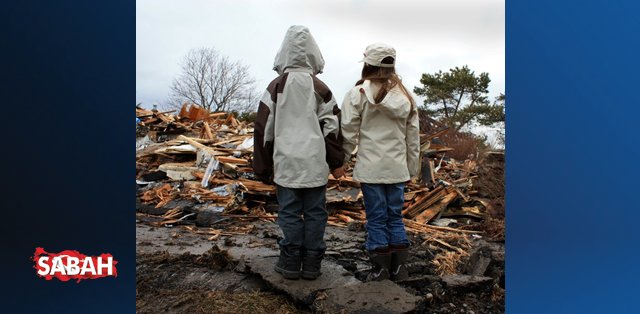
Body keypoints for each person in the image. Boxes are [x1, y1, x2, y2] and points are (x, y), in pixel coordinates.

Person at [253, 25, 344, 280]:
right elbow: (333, 128)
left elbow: (263, 129)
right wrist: (337, 162)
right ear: (314, 54)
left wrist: (263, 168)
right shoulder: (320, 88)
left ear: (283, 53)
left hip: (286, 164)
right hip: (314, 164)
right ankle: (313, 263)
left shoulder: (276, 87)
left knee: (289, 212)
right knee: (316, 212)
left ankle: (291, 262)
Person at [339, 43, 420, 281]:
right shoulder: (406, 97)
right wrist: (412, 169)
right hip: (397, 169)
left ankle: (380, 269)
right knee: (394, 217)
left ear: (368, 64)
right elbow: (412, 139)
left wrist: (341, 162)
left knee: (376, 218)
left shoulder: (358, 94)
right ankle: (399, 269)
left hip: (371, 169)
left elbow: (347, 133)